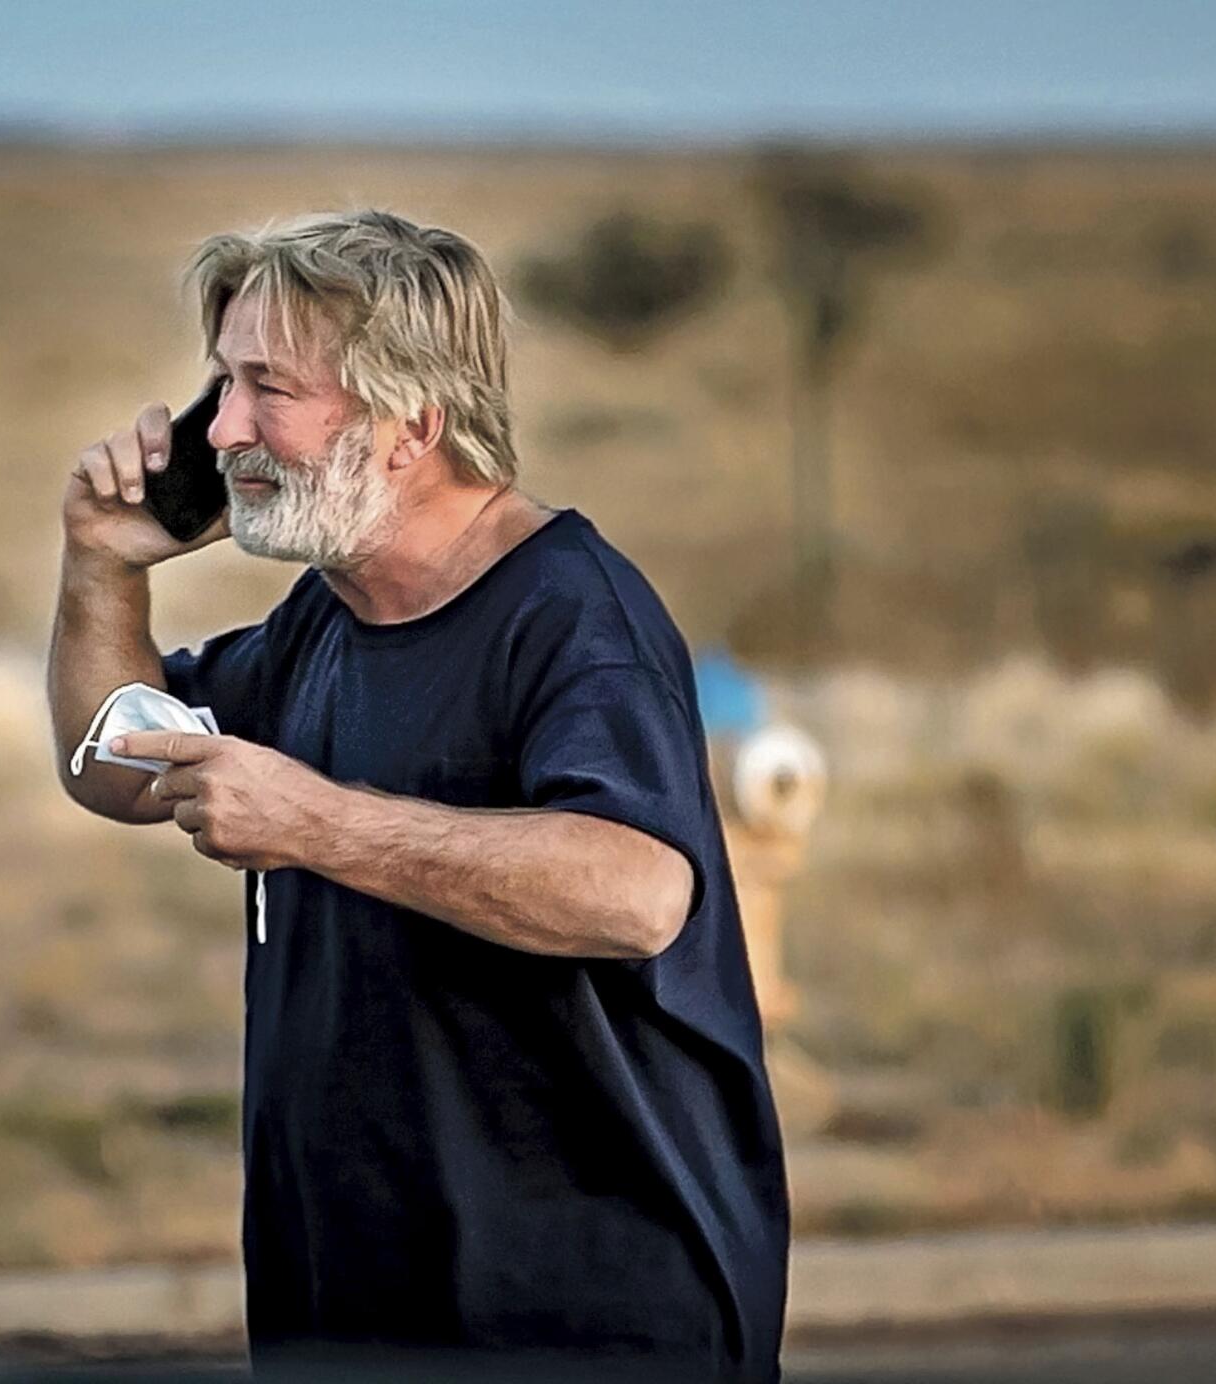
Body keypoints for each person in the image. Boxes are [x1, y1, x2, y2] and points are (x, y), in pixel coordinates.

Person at [46, 210, 788, 1381]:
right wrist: (100, 563)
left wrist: (316, 822)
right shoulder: (326, 618)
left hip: (577, 1324)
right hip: (348, 1303)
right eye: (219, 386)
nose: (223, 428)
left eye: (266, 389)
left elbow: (637, 892)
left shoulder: (571, 617)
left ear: (412, 424)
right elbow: (113, 762)